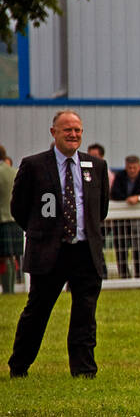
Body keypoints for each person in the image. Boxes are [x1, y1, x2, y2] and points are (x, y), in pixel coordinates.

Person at [8, 111, 110, 378]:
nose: (73, 134)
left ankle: (84, 370)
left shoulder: (96, 166)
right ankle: (19, 366)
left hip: (85, 252)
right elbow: (19, 208)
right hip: (49, 253)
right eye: (67, 130)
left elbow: (100, 209)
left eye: (77, 130)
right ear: (53, 132)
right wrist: (42, 233)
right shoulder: (33, 166)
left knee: (85, 315)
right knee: (37, 312)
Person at [0, 145, 20, 293]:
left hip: (2, 219)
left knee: (4, 257)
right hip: (14, 218)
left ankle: (7, 290)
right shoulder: (14, 172)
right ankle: (11, 288)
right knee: (11, 256)